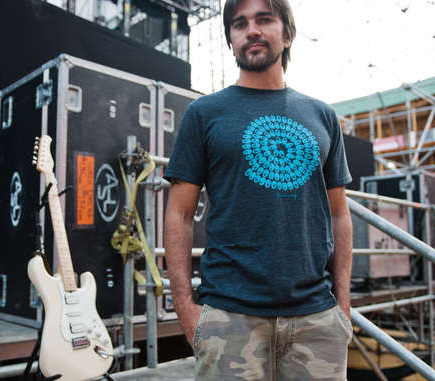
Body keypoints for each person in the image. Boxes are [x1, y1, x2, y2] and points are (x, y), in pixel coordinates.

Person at [163, 0, 353, 379]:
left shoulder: (322, 115)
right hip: (229, 318)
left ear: (287, 32)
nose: (251, 30)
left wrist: (342, 309)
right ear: (231, 39)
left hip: (316, 319)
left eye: (264, 19)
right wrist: (185, 308)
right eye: (239, 24)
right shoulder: (204, 114)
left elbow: (339, 213)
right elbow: (179, 214)